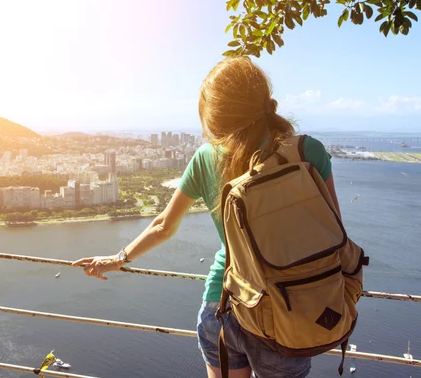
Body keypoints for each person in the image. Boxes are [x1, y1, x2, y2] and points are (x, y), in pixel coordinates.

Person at [72, 56, 341, 378]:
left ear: (214, 114)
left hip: (223, 302)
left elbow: (163, 226)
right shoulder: (308, 151)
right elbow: (332, 228)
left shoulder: (207, 156)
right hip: (289, 307)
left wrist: (119, 258)